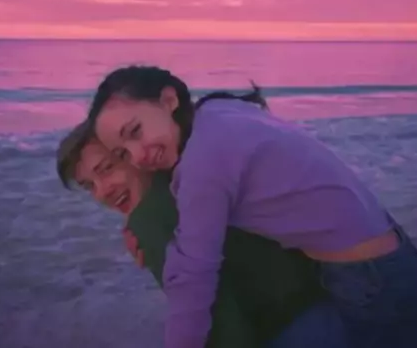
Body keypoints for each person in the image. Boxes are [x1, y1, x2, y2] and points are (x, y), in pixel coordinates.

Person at [85, 65, 417, 348]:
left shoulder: (205, 162)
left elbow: (193, 279)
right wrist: (142, 218)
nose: (137, 156)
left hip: (375, 295)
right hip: (398, 264)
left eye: (135, 131)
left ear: (168, 100)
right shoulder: (218, 112)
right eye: (122, 154)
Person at [56, 122, 347, 348]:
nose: (102, 191)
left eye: (107, 168)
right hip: (325, 304)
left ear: (134, 153)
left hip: (290, 330)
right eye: (89, 185)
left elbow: (217, 324)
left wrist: (146, 226)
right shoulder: (190, 177)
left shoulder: (153, 217)